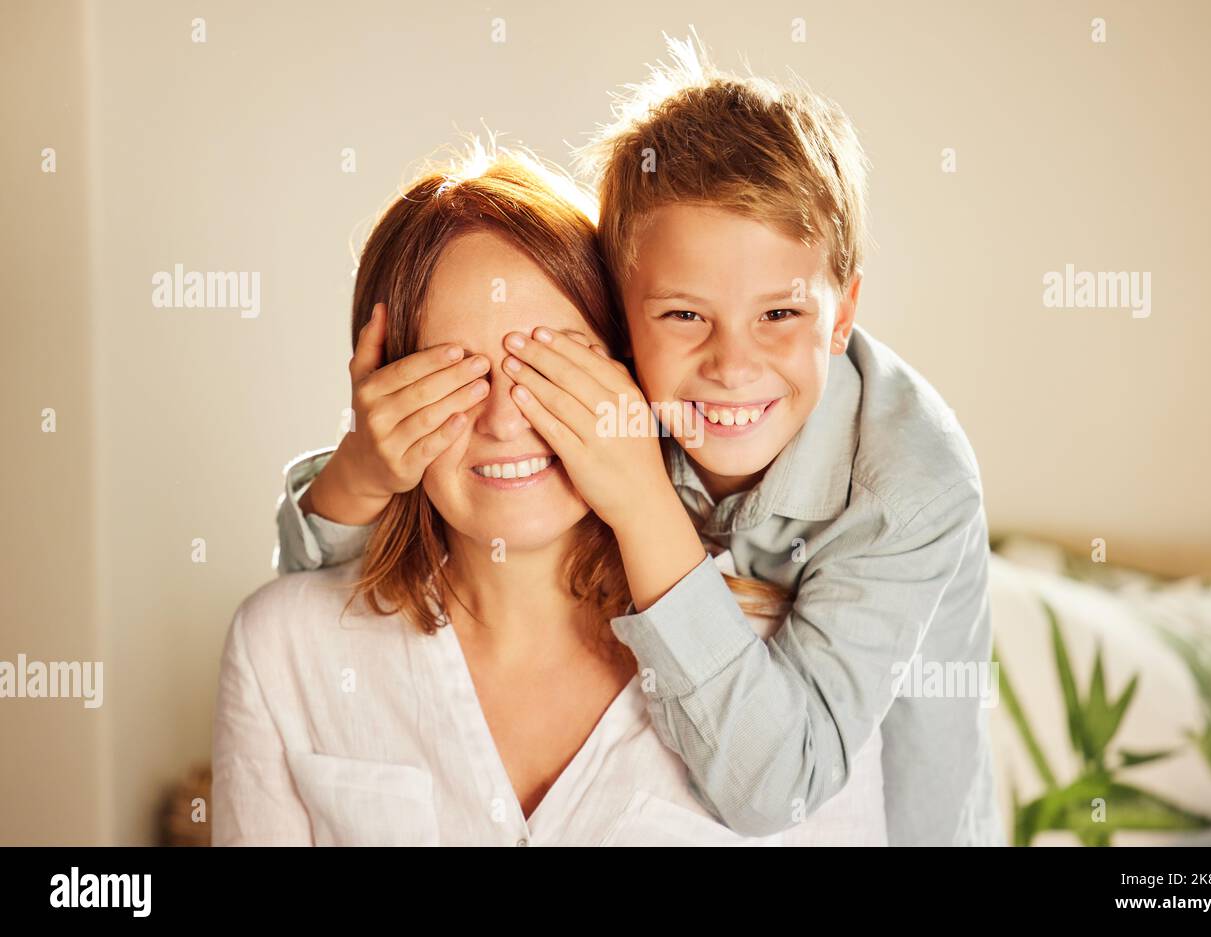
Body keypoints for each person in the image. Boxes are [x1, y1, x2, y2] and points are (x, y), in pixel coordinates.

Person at [274, 34, 1001, 844]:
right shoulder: (613, 388)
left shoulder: (913, 488)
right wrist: (364, 472)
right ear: (619, 316)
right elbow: (316, 611)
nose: (731, 366)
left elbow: (780, 790)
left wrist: (643, 501)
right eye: (685, 314)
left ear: (843, 317)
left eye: (780, 313)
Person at [211, 146, 886, 845]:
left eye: (550, 368)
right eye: (454, 375)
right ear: (383, 396)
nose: (504, 420)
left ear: (631, 370)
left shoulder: (798, 679)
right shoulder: (281, 648)